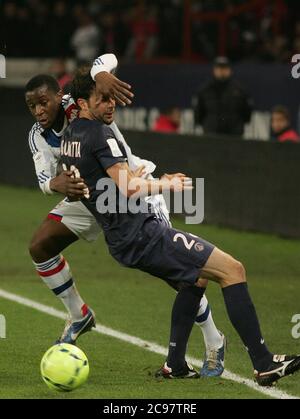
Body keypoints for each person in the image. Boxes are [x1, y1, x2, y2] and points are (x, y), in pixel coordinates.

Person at [60, 68, 300, 386]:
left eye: (112, 98)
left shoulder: (70, 136)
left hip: (123, 238)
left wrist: (99, 75)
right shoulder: (99, 135)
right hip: (142, 234)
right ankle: (263, 362)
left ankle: (175, 363)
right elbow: (128, 188)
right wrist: (166, 184)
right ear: (82, 102)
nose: (111, 104)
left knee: (197, 279)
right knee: (233, 270)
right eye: (102, 98)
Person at [25, 55, 226, 378]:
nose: (38, 111)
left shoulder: (83, 100)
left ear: (59, 98)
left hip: (130, 185)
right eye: (32, 106)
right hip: (88, 196)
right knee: (40, 246)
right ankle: (79, 315)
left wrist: (101, 71)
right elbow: (44, 181)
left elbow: (105, 59)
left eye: (43, 103)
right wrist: (55, 184)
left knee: (180, 273)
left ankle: (214, 339)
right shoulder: (38, 135)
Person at [193, 57, 253, 136]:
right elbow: (198, 114)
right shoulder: (205, 90)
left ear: (229, 70)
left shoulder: (240, 90)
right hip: (211, 133)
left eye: (224, 68)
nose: (222, 71)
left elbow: (247, 113)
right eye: (219, 68)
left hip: (233, 134)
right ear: (214, 70)